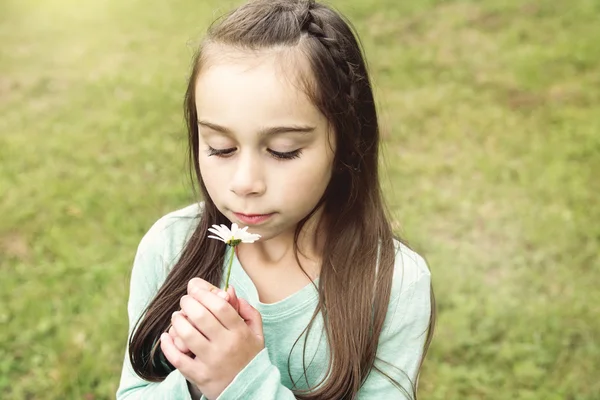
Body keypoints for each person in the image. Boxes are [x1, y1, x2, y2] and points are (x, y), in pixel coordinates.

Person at [116, 0, 435, 399]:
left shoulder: (393, 285)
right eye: (220, 148)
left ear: (347, 143)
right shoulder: (169, 248)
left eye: (283, 151)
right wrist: (198, 381)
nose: (245, 182)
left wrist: (241, 383)